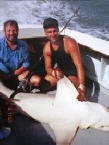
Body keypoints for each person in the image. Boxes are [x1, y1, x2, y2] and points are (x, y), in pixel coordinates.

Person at [42, 17, 86, 101]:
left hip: (74, 72)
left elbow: (79, 65)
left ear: (58, 30)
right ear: (45, 33)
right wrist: (53, 73)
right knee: (44, 84)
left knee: (70, 89)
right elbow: (48, 68)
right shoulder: (47, 48)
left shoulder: (69, 43)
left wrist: (82, 85)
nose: (52, 34)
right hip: (61, 72)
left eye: (54, 31)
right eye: (49, 32)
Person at [0, 19, 30, 90]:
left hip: (17, 74)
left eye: (14, 30)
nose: (11, 33)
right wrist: (5, 74)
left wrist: (15, 73)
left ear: (18, 31)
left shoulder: (24, 45)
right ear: (4, 32)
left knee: (30, 76)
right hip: (2, 75)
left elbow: (26, 63)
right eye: (9, 30)